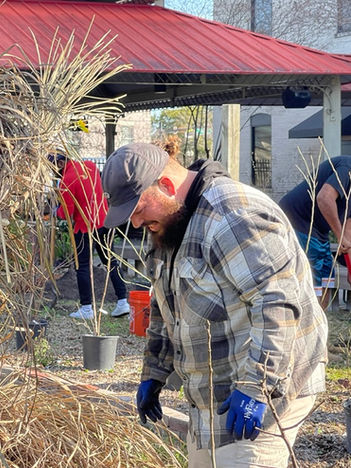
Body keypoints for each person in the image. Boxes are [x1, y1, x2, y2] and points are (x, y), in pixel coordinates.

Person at [101, 142, 328, 467]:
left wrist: (257, 387)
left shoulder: (232, 216)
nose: (135, 223)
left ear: (165, 185)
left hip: (268, 385)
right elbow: (169, 303)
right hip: (214, 391)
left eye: (138, 209)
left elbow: (278, 300)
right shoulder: (173, 222)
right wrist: (155, 371)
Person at [50, 151, 129, 319]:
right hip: (105, 221)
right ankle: (123, 301)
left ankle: (87, 308)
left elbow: (66, 213)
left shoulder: (66, 181)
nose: (54, 171)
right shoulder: (90, 166)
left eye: (53, 167)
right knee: (110, 261)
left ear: (61, 163)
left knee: (83, 266)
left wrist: (54, 210)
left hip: (84, 227)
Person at [279, 155, 351, 308]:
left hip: (318, 231)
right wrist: (339, 236)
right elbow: (324, 198)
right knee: (312, 277)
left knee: (327, 276)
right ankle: (306, 325)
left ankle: (318, 324)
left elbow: (348, 231)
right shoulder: (347, 168)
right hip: (297, 220)